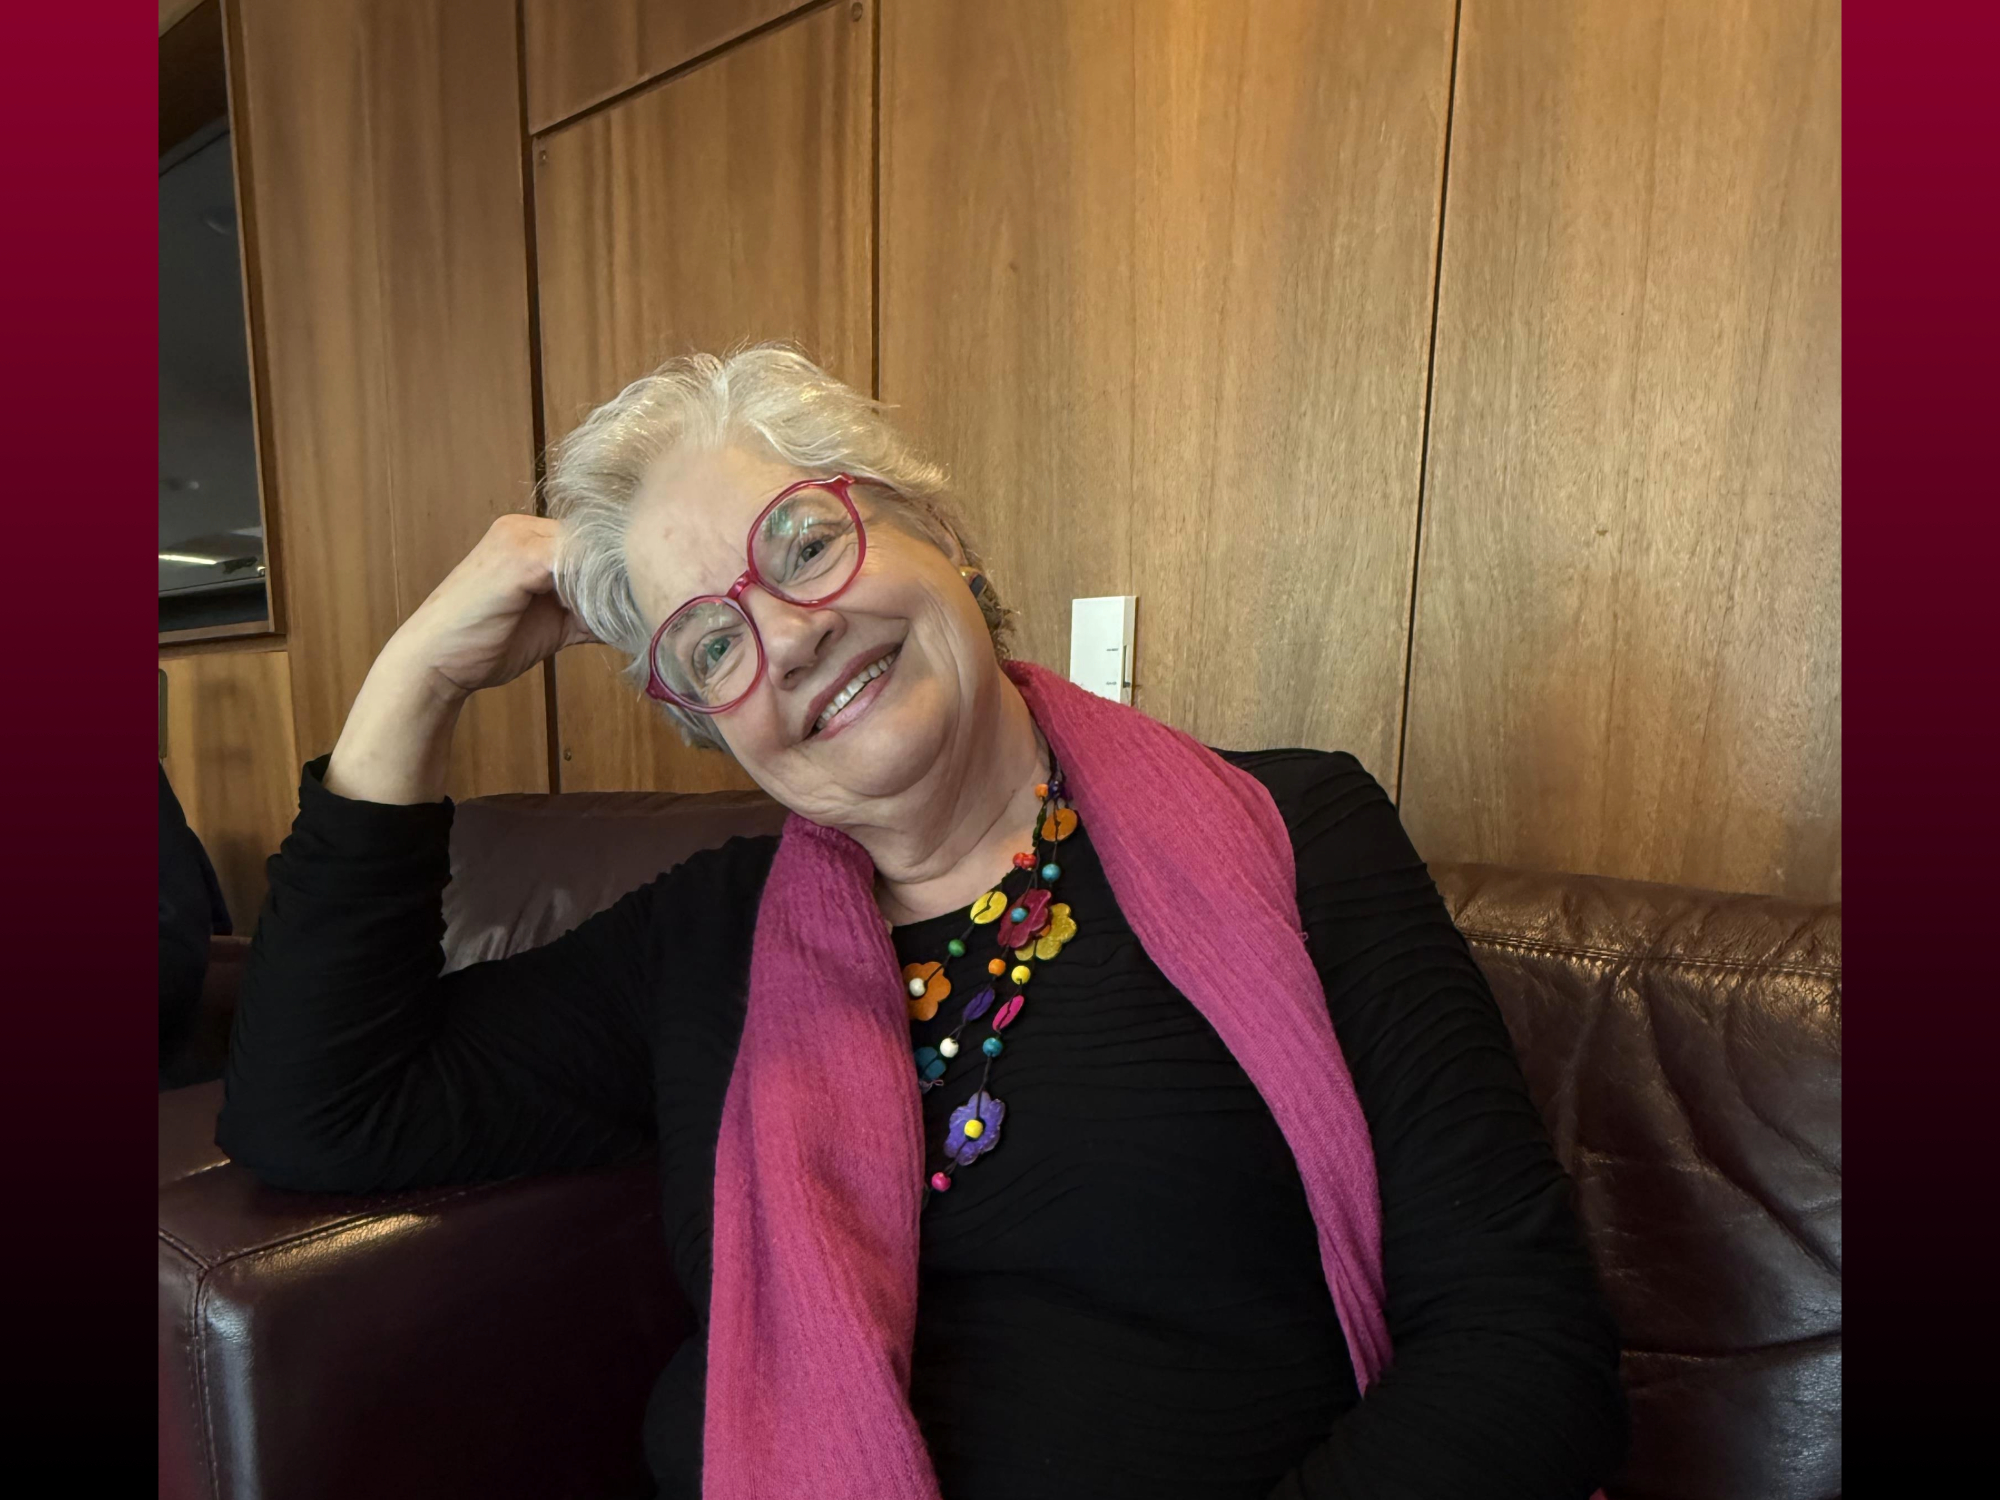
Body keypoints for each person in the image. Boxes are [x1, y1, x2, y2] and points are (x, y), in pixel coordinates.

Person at [219, 344, 1628, 1500]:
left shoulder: (1295, 833)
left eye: (804, 544)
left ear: (934, 530)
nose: (788, 636)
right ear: (712, 724)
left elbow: (1521, 1349)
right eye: (712, 642)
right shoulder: (700, 945)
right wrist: (416, 681)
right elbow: (319, 1108)